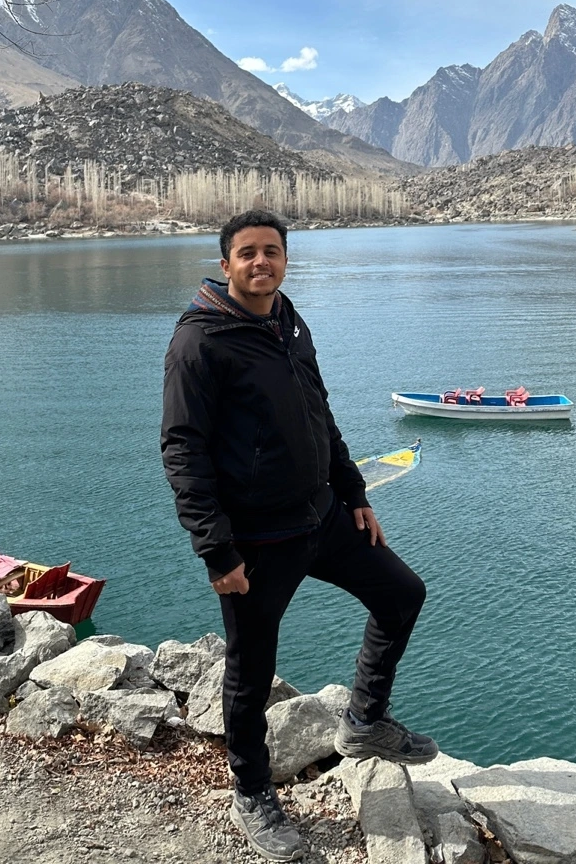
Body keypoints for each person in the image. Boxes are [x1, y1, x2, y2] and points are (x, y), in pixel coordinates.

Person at [161, 209, 436, 862]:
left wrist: (354, 493)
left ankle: (364, 721)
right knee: (251, 669)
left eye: (272, 251)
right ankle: (252, 792)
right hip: (257, 541)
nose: (261, 262)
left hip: (323, 517)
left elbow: (319, 411)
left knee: (402, 594)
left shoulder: (288, 320)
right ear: (226, 264)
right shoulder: (199, 342)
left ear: (285, 260)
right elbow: (183, 449)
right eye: (248, 253)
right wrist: (216, 550)